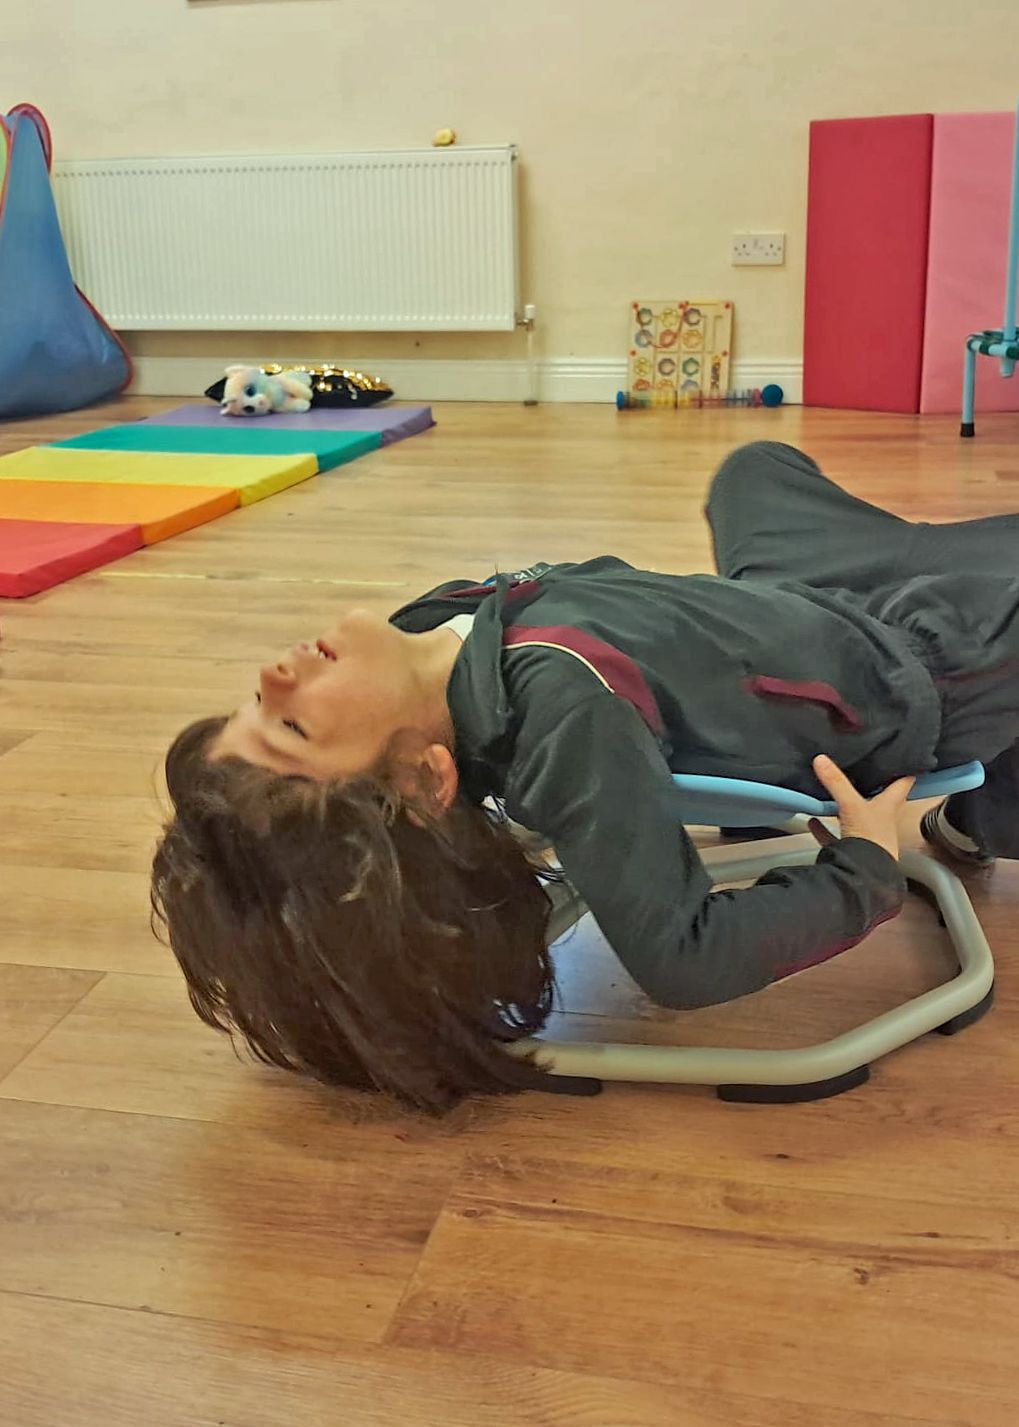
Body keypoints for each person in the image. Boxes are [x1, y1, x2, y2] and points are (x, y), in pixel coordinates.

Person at [151, 441, 1019, 1112]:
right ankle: (992, 805)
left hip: (802, 606)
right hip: (927, 667)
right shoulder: (567, 715)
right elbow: (683, 960)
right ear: (424, 778)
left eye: (252, 705)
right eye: (292, 726)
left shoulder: (425, 633)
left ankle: (991, 811)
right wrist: (863, 868)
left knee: (754, 469)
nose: (270, 678)